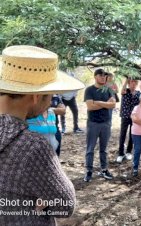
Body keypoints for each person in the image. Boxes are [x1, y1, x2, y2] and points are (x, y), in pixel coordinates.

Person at [0, 45, 83, 225]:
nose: (51, 100)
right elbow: (64, 204)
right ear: (36, 96)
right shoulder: (31, 145)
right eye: (50, 94)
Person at [83, 68, 116, 182]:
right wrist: (106, 104)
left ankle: (104, 169)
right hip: (93, 123)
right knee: (90, 149)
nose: (103, 77)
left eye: (105, 76)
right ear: (95, 77)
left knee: (104, 149)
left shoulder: (108, 89)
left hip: (106, 123)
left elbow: (113, 104)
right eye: (101, 75)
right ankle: (88, 171)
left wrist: (98, 102)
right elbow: (90, 107)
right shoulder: (89, 90)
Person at [116, 78, 141, 163]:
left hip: (134, 117)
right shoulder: (125, 91)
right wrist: (126, 80)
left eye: (134, 82)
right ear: (129, 83)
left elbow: (140, 105)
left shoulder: (138, 93)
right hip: (125, 115)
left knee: (132, 135)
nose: (133, 84)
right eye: (131, 82)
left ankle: (129, 152)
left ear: (136, 83)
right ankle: (120, 153)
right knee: (122, 134)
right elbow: (121, 91)